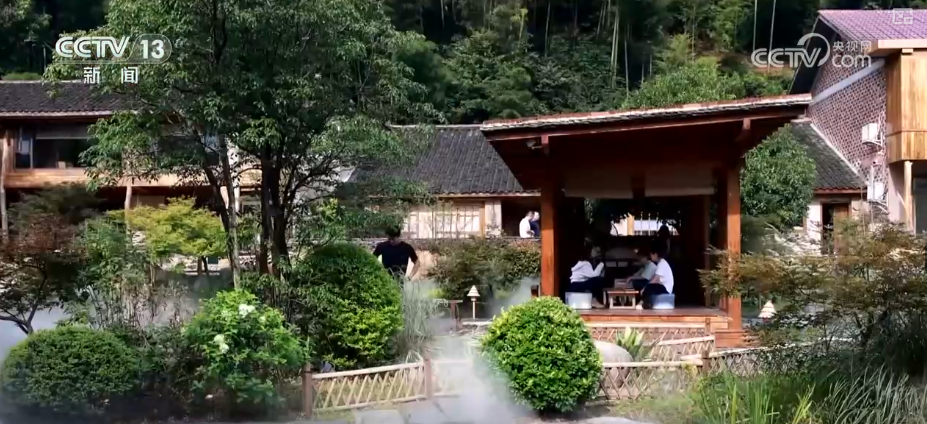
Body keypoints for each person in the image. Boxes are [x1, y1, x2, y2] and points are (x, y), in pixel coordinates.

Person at [640, 241, 674, 308]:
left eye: (651, 254)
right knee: (649, 285)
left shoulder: (662, 263)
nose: (650, 256)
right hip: (663, 287)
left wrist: (645, 288)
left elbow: (655, 279)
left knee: (649, 286)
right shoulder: (661, 263)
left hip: (666, 289)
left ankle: (642, 303)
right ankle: (645, 303)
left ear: (655, 254)